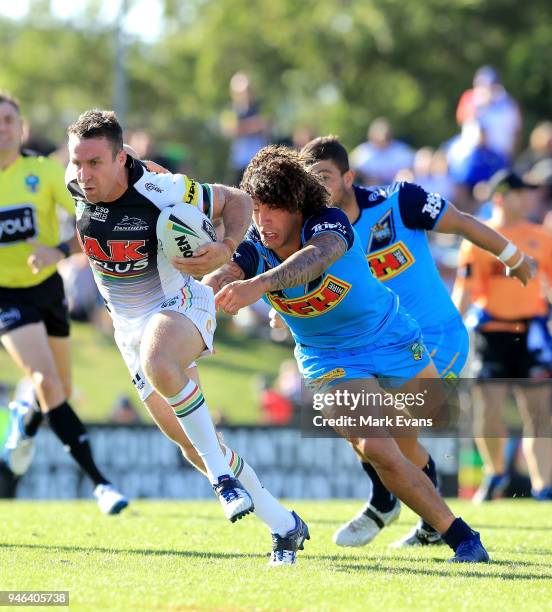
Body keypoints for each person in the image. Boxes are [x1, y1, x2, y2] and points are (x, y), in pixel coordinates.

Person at [207, 144, 491, 563]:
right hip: (328, 357)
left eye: (273, 210)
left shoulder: (329, 222)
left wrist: (261, 285)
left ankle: (413, 509)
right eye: (256, 209)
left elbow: (317, 259)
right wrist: (193, 296)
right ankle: (462, 537)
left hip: (390, 337)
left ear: (297, 205)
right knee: (378, 448)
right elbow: (229, 272)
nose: (262, 221)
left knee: (413, 435)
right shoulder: (256, 242)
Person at [65, 109, 308, 565]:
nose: (84, 173)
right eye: (78, 162)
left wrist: (226, 247)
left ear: (120, 160)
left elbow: (236, 200)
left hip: (181, 303)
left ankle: (221, 480)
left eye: (95, 163)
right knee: (192, 443)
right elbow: (90, 164)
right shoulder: (75, 179)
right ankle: (284, 525)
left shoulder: (162, 189)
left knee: (162, 362)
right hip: (127, 328)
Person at [294, 135, 533, 547]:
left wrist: (512, 255)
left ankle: (396, 503)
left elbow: (459, 221)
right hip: (370, 345)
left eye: (326, 176)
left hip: (436, 339)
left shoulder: (399, 202)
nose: (318, 186)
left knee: (387, 431)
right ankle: (399, 505)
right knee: (353, 418)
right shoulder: (314, 233)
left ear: (349, 177)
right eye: (310, 180)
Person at [0, 92, 127, 514]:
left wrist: (58, 248)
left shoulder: (43, 173)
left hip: (47, 291)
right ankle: (101, 483)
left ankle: (23, 420)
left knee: (60, 389)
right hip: (6, 297)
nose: (2, 127)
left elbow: (87, 216)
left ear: (21, 128)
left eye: (8, 120)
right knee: (46, 380)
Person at [452, 169, 552, 502]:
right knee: (487, 410)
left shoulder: (540, 236)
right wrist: (450, 330)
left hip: (532, 331)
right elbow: (464, 291)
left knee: (539, 412)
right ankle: (495, 475)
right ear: (502, 196)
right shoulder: (480, 238)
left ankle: (543, 487)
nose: (528, 198)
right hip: (491, 333)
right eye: (521, 192)